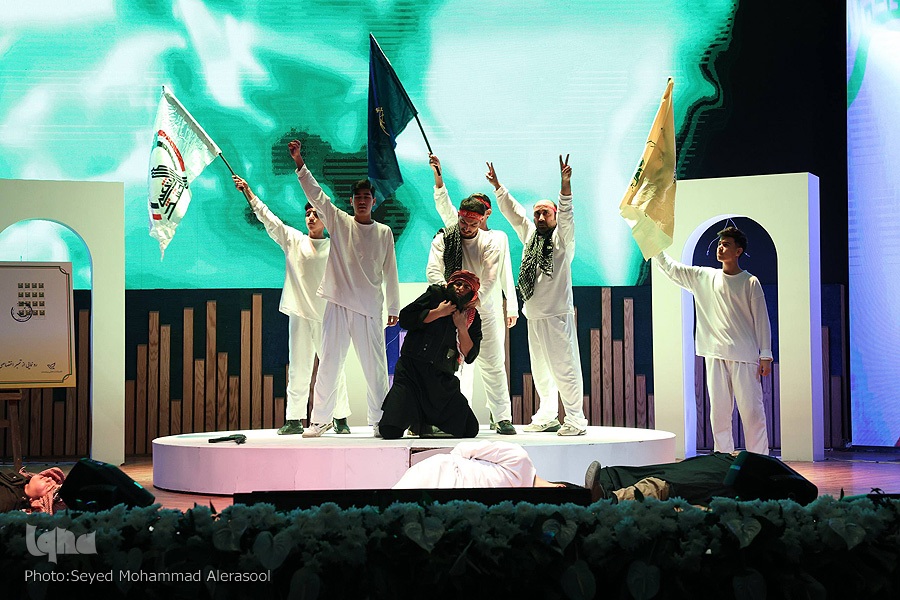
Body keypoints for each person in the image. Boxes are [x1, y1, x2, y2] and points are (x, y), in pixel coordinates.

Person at [289, 139, 400, 438]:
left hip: (369, 309)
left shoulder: (383, 232)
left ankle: (380, 421)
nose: (362, 201)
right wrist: (299, 162)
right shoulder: (339, 221)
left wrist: (393, 307)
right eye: (358, 197)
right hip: (337, 304)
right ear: (351, 201)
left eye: (367, 197)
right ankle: (320, 420)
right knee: (329, 365)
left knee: (376, 370)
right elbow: (316, 194)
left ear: (373, 201)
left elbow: (390, 272)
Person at [233, 175, 350, 435]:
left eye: (316, 214)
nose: (311, 218)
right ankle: (295, 418)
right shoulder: (294, 240)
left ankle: (340, 417)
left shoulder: (336, 247)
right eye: (308, 214)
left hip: (326, 314)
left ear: (325, 219)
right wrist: (249, 193)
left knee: (332, 366)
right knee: (298, 366)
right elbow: (269, 220)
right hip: (299, 312)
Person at [487, 156, 588, 436]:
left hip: (557, 315)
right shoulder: (531, 236)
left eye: (546, 213)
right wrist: (498, 187)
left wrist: (565, 186)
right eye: (538, 213)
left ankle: (576, 419)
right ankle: (548, 415)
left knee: (565, 369)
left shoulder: (563, 239)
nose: (541, 217)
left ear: (554, 215)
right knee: (541, 372)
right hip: (534, 315)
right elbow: (514, 213)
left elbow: (567, 214)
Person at [653, 226, 773, 454]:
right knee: (719, 414)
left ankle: (759, 459)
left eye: (726, 244)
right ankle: (723, 459)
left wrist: (765, 354)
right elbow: (672, 269)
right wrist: (654, 247)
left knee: (752, 413)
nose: (720, 248)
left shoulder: (750, 282)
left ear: (738, 251)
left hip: (744, 355)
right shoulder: (704, 276)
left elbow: (762, 320)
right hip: (714, 354)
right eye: (719, 244)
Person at [426, 154, 515, 435]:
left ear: (481, 220)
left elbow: (491, 277)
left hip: (483, 311)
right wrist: (451, 301)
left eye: (472, 224)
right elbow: (433, 271)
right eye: (463, 222)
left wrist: (476, 301)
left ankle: (502, 417)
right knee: (454, 366)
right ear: (460, 217)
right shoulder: (447, 236)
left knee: (493, 364)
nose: (466, 228)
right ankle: (454, 417)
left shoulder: (492, 241)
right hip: (452, 310)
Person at [378, 271, 483, 440]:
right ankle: (416, 421)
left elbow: (470, 355)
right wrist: (438, 312)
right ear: (450, 284)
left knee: (469, 428)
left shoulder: (471, 316)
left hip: (440, 379)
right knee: (390, 431)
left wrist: (462, 327)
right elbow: (406, 318)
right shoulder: (435, 295)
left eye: (466, 287)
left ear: (472, 293)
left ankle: (425, 424)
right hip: (411, 373)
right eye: (458, 284)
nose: (460, 288)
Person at [393, 441, 563, 489]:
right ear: (560, 488)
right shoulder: (520, 459)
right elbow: (464, 449)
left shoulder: (521, 507)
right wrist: (457, 473)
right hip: (442, 473)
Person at [0, 467, 66, 514]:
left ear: (39, 501)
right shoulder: (18, 480)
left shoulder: (8, 502)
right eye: (53, 480)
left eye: (49, 486)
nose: (49, 478)